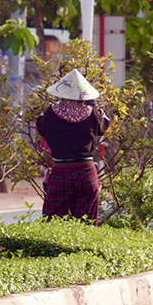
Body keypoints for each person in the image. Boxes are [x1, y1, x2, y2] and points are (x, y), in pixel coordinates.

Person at [35, 69, 110, 222]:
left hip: (61, 171)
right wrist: (95, 107)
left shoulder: (51, 112)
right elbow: (103, 126)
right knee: (86, 222)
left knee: (52, 221)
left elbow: (40, 127)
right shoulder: (93, 113)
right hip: (86, 171)